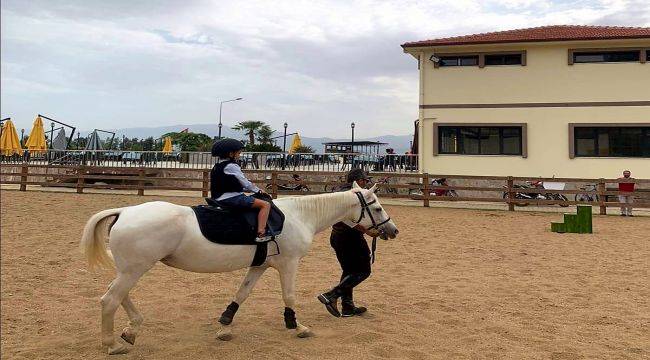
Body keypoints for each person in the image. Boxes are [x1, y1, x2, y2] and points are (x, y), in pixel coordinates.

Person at [317, 168, 378, 318]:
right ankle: (331, 295)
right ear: (358, 180)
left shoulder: (340, 191)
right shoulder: (352, 194)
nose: (365, 184)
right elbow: (346, 219)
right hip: (350, 238)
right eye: (364, 180)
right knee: (364, 270)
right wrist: (367, 231)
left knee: (349, 271)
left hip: (338, 236)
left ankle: (348, 307)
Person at [210, 138, 271, 239]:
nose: (239, 155)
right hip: (232, 198)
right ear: (230, 154)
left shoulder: (217, 166)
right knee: (265, 205)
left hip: (217, 197)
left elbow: (229, 183)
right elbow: (245, 183)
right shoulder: (231, 166)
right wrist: (259, 190)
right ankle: (261, 233)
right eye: (238, 153)